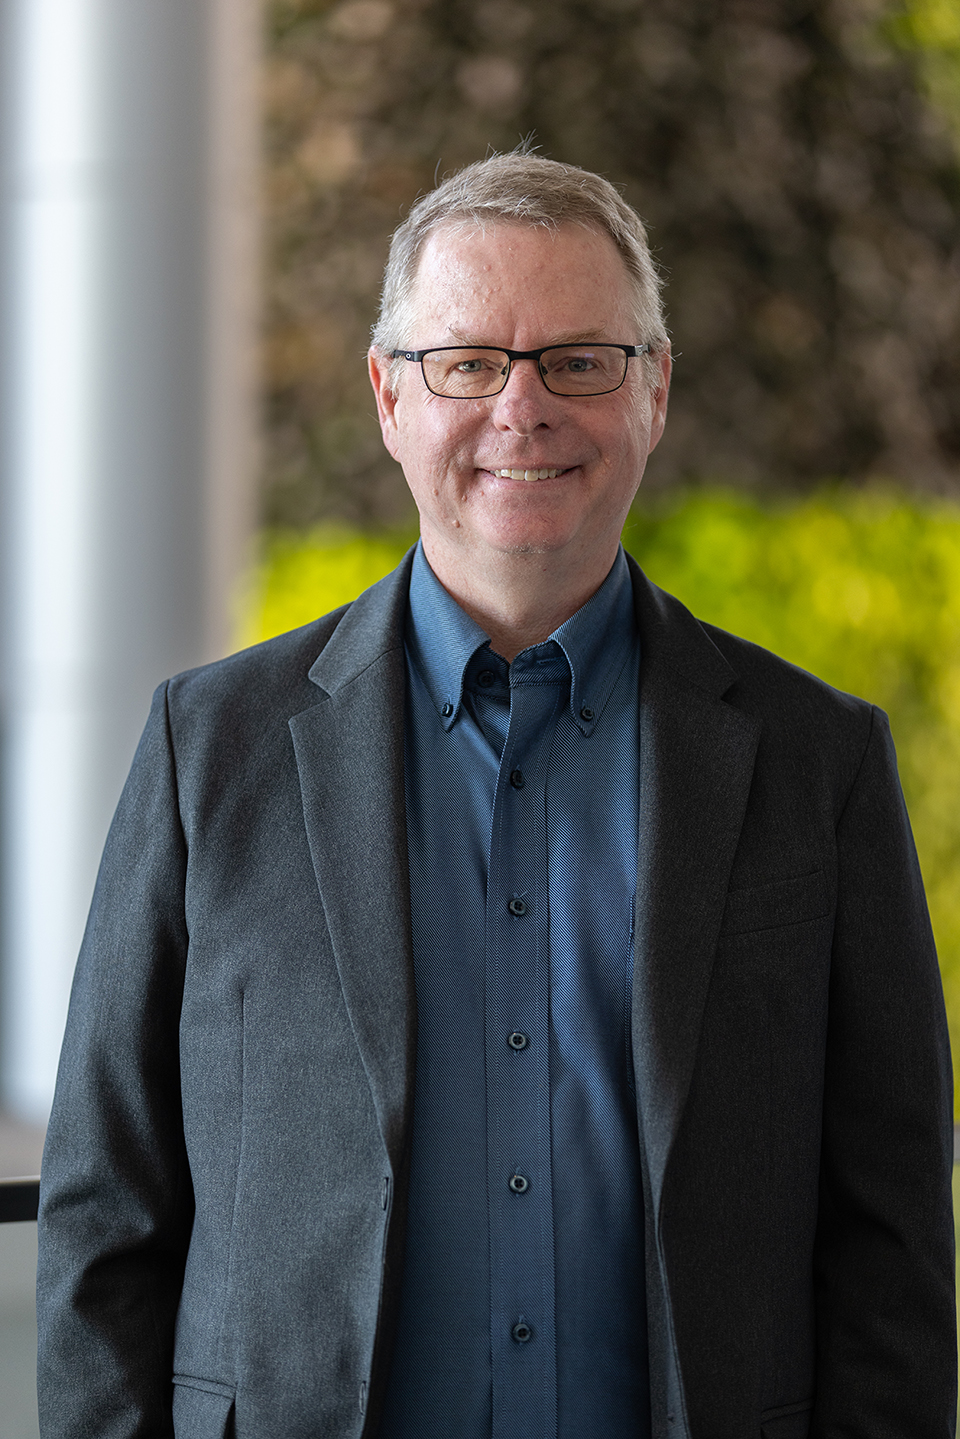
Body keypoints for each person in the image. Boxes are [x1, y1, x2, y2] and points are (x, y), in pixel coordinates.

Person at [36, 152, 955, 1439]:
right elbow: (107, 1209)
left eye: (579, 359)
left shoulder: (819, 763)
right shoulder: (212, 747)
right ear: (388, 396)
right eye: (468, 361)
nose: (523, 410)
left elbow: (892, 1237)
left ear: (655, 391)